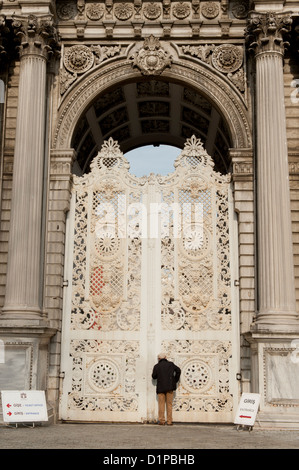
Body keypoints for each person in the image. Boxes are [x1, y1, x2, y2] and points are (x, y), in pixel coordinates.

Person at [152, 352, 181, 426]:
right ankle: (169, 421)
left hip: (161, 387)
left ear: (159, 359)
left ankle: (161, 421)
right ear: (165, 357)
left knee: (161, 404)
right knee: (169, 404)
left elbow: (154, 376)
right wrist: (175, 380)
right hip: (170, 387)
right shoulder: (171, 364)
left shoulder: (156, 366)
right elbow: (178, 370)